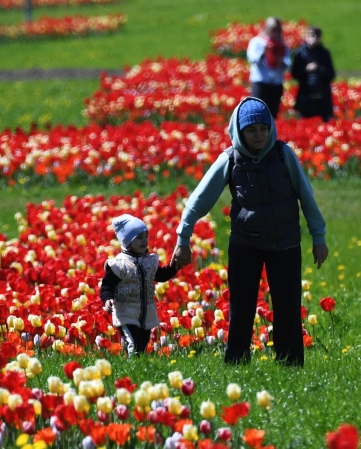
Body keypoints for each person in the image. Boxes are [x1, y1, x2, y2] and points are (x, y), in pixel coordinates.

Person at [171, 97, 328, 367]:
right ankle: (236, 365)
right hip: (246, 245)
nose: (259, 135)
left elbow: (306, 196)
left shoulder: (283, 154)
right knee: (241, 308)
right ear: (240, 131)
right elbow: (199, 199)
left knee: (288, 308)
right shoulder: (231, 158)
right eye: (251, 130)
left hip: (286, 243)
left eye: (263, 128)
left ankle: (289, 366)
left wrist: (318, 236)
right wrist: (183, 238)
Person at [100, 214, 179, 357]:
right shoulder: (120, 265)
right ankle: (131, 370)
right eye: (139, 237)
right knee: (134, 343)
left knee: (142, 343)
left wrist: (175, 266)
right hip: (125, 311)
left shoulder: (149, 261)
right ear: (127, 242)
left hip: (146, 311)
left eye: (145, 236)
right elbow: (106, 285)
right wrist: (107, 299)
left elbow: (161, 276)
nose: (144, 240)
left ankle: (134, 363)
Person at [246, 17, 291, 118]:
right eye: (272, 29)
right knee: (258, 113)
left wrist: (281, 61)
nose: (274, 32)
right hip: (260, 82)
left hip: (276, 83)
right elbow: (252, 59)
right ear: (266, 28)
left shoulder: (283, 45)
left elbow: (288, 65)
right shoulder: (257, 42)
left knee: (272, 114)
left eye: (277, 29)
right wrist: (263, 53)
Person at [291, 26, 336, 122]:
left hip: (322, 96)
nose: (312, 39)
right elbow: (294, 74)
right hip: (305, 95)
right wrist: (305, 69)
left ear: (319, 38)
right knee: (304, 123)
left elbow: (331, 74)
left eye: (315, 36)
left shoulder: (324, 54)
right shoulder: (300, 54)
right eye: (310, 36)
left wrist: (319, 68)